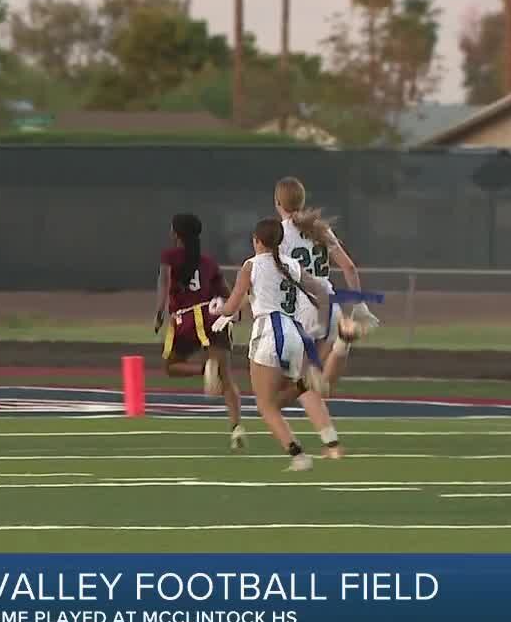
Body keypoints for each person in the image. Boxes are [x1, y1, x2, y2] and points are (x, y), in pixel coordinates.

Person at [215, 219, 336, 471]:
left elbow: (233, 304)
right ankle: (305, 383)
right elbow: (322, 293)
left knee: (266, 406)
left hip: (268, 333)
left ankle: (298, 455)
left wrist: (218, 309)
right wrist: (322, 327)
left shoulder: (251, 265)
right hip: (294, 333)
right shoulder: (292, 264)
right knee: (280, 395)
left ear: (257, 241)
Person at [274, 177, 378, 390]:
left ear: (277, 203)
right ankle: (342, 342)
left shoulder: (279, 233)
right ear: (301, 202)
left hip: (302, 308)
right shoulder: (320, 229)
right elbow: (349, 267)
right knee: (320, 385)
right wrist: (359, 303)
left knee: (288, 382)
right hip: (331, 306)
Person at [154, 212, 245, 449]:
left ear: (175, 233)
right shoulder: (208, 262)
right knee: (226, 377)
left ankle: (204, 369)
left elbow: (164, 283)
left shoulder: (170, 257)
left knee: (171, 366)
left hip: (186, 318)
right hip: (212, 315)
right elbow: (225, 290)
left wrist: (159, 312)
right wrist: (235, 310)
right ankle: (236, 428)